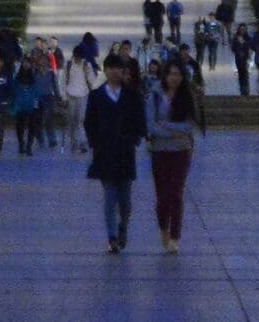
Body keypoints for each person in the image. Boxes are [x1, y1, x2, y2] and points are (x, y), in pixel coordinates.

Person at [84, 55, 147, 253]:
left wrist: (135, 139)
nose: (114, 71)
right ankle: (112, 237)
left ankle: (123, 227)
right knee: (110, 196)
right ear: (105, 70)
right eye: (110, 68)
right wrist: (95, 143)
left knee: (125, 200)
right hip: (105, 152)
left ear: (122, 71)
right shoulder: (96, 96)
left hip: (125, 152)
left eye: (118, 68)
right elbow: (89, 122)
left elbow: (140, 120)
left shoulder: (132, 95)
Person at [147, 60, 198, 254]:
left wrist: (167, 126)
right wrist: (174, 131)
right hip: (159, 151)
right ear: (165, 75)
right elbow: (151, 126)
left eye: (178, 74)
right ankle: (164, 229)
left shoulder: (186, 96)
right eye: (171, 74)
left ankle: (175, 237)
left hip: (181, 151)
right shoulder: (155, 95)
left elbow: (188, 126)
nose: (174, 78)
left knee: (176, 194)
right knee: (162, 196)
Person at [63, 47, 96, 155]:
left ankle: (81, 143)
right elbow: (63, 81)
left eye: (80, 57)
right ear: (74, 55)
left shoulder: (87, 65)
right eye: (77, 57)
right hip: (71, 95)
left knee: (81, 121)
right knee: (72, 121)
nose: (79, 59)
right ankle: (74, 143)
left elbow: (92, 81)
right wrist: (64, 97)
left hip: (83, 95)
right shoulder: (68, 65)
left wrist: (87, 72)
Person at [10, 53, 42, 156]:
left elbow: (36, 91)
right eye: (24, 62)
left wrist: (36, 104)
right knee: (20, 126)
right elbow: (14, 90)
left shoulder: (33, 78)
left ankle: (29, 146)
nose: (26, 64)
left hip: (31, 105)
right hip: (20, 105)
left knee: (32, 126)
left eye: (28, 63)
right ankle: (21, 144)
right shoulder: (17, 77)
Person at [232, 25, 254, 97]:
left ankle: (246, 89)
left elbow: (251, 47)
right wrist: (238, 51)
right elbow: (233, 48)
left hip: (246, 58)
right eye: (241, 29)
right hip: (238, 59)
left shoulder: (248, 38)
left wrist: (244, 43)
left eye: (243, 29)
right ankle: (242, 89)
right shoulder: (236, 38)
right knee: (241, 74)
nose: (242, 31)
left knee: (245, 74)